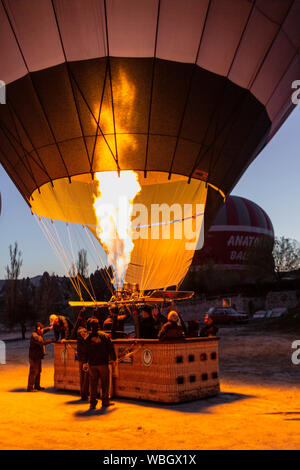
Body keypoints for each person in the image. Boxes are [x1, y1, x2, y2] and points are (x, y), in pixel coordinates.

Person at [83, 318, 116, 409]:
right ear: (99, 325)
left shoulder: (87, 338)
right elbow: (110, 348)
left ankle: (92, 403)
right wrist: (114, 359)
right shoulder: (104, 336)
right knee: (105, 383)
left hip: (92, 364)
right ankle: (105, 401)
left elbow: (84, 351)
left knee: (93, 384)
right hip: (103, 364)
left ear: (90, 327)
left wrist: (85, 362)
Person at [27, 322, 54, 392]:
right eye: (41, 329)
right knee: (33, 372)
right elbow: (42, 342)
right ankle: (30, 388)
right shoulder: (35, 336)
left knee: (38, 371)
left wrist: (49, 328)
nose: (42, 331)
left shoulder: (38, 333)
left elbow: (43, 331)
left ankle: (37, 386)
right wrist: (52, 340)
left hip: (38, 356)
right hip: (34, 357)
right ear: (38, 329)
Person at [76, 318, 89, 401]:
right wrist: (85, 362)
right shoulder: (82, 341)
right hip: (84, 361)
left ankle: (83, 394)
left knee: (83, 378)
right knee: (85, 378)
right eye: (82, 333)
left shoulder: (81, 340)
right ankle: (84, 395)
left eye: (84, 332)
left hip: (82, 360)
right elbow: (84, 351)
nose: (84, 334)